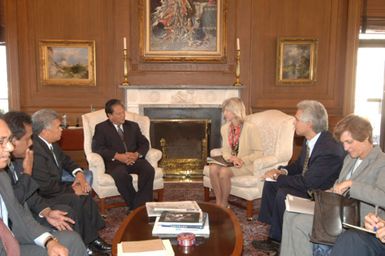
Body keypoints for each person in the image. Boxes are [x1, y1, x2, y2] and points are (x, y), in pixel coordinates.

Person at [280, 114, 385, 256]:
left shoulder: (381, 162)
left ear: (366, 137)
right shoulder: (349, 159)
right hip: (335, 211)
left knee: (300, 223)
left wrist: (352, 185)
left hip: (357, 220)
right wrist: (329, 192)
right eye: (343, 143)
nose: (345, 147)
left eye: (349, 142)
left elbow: (382, 196)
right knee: (290, 214)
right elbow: (338, 185)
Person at [253, 100, 345, 252]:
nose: (293, 123)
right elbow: (298, 166)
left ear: (309, 123)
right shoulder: (311, 140)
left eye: (296, 119)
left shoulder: (329, 148)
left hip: (319, 193)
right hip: (308, 184)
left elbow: (308, 182)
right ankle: (274, 235)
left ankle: (281, 241)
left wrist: (279, 178)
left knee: (284, 192)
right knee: (270, 183)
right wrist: (281, 171)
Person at [0, 115, 87, 256]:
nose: (9, 147)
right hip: (13, 237)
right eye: (1, 141)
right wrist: (27, 173)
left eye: (8, 140)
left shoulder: (3, 174)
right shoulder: (17, 164)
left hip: (17, 231)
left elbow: (17, 210)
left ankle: (89, 242)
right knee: (70, 203)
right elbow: (23, 197)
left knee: (72, 239)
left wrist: (48, 239)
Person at [31, 109, 111, 255]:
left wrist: (79, 174)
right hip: (43, 195)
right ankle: (86, 243)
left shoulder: (50, 143)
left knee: (85, 191)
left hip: (53, 188)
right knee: (76, 199)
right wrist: (72, 190)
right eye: (58, 127)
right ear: (45, 131)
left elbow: (67, 160)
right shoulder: (36, 151)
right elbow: (45, 187)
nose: (61, 129)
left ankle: (93, 238)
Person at [4, 111, 76, 231]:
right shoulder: (5, 166)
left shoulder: (17, 160)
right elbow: (14, 202)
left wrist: (46, 212)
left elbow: (31, 195)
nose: (32, 143)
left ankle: (88, 242)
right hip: (15, 223)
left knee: (66, 213)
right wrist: (27, 172)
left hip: (31, 208)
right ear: (13, 140)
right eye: (28, 139)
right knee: (67, 212)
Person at [92, 99, 155, 210]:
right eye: (118, 113)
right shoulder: (101, 128)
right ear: (109, 115)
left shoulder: (133, 126)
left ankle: (137, 206)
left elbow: (144, 143)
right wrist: (117, 156)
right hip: (115, 162)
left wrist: (137, 154)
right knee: (121, 176)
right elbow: (97, 148)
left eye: (123, 112)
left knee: (148, 169)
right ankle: (138, 207)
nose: (123, 115)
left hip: (134, 159)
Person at [208, 97, 263, 208]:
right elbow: (225, 149)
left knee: (223, 172)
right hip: (231, 162)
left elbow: (259, 152)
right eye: (225, 110)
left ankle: (224, 204)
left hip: (246, 164)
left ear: (236, 111)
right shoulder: (225, 128)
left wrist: (241, 160)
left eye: (227, 110)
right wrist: (231, 158)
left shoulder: (250, 128)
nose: (225, 113)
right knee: (212, 168)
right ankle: (218, 202)